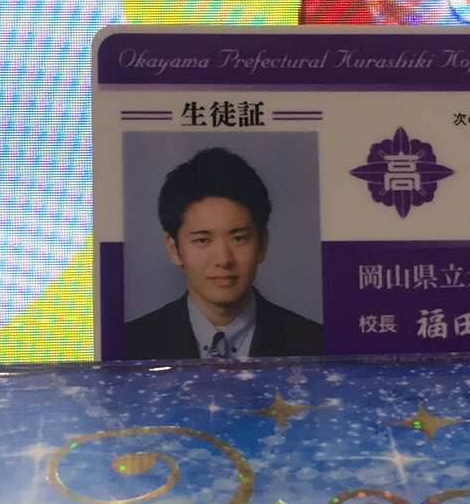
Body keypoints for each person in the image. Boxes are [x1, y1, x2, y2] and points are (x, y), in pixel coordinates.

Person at [122, 147, 323, 360]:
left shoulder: (316, 346)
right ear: (174, 249)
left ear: (262, 244)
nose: (223, 259)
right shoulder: (129, 347)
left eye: (238, 238)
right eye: (202, 240)